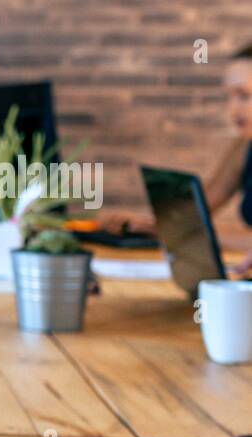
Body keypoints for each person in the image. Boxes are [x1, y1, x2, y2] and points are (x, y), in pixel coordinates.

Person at [99, 43, 252, 275]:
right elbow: (201, 206)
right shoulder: (244, 145)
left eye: (244, 95)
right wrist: (153, 224)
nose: (233, 109)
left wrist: (180, 233)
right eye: (229, 96)